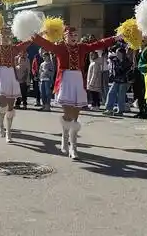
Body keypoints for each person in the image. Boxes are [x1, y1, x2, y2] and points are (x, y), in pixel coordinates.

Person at [31, 27, 119, 159]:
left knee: (75, 117)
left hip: (78, 81)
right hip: (66, 81)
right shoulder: (59, 47)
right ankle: (64, 137)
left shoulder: (82, 47)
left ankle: (74, 147)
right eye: (71, 35)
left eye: (76, 35)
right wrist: (38, 34)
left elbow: (98, 44)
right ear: (65, 36)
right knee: (67, 115)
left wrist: (116, 38)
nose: (74, 37)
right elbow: (44, 43)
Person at [103, 47, 131, 116]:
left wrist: (120, 63)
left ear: (122, 53)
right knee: (111, 93)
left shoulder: (126, 61)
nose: (117, 54)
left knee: (121, 96)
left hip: (123, 80)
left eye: (118, 53)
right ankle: (109, 109)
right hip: (116, 79)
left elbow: (123, 70)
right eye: (116, 52)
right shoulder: (115, 60)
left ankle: (120, 111)